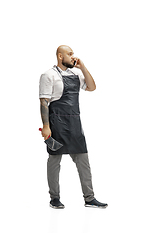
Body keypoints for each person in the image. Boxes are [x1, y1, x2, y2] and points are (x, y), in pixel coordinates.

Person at [39, 45, 108, 209]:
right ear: (60, 56)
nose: (73, 56)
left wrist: (83, 67)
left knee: (83, 161)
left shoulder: (76, 75)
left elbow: (92, 87)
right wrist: (46, 127)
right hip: (56, 124)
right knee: (54, 162)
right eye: (69, 54)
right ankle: (54, 198)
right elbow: (43, 102)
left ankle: (89, 198)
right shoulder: (48, 75)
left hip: (75, 123)